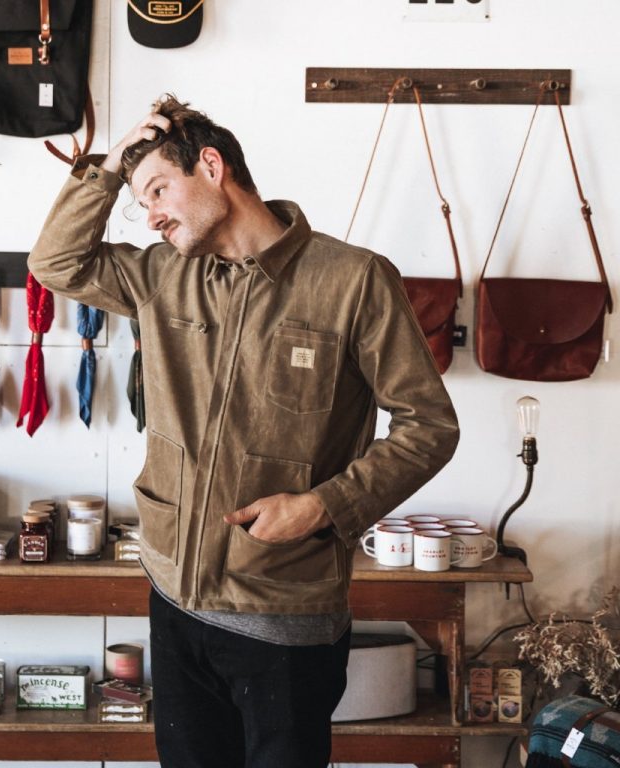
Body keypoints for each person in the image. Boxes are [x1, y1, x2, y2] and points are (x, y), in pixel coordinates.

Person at [28, 94, 459, 768]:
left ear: (211, 165)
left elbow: (428, 425)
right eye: (140, 201)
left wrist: (324, 505)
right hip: (174, 600)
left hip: (284, 614)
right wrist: (108, 168)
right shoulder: (161, 276)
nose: (151, 215)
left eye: (159, 189)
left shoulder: (352, 281)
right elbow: (55, 262)